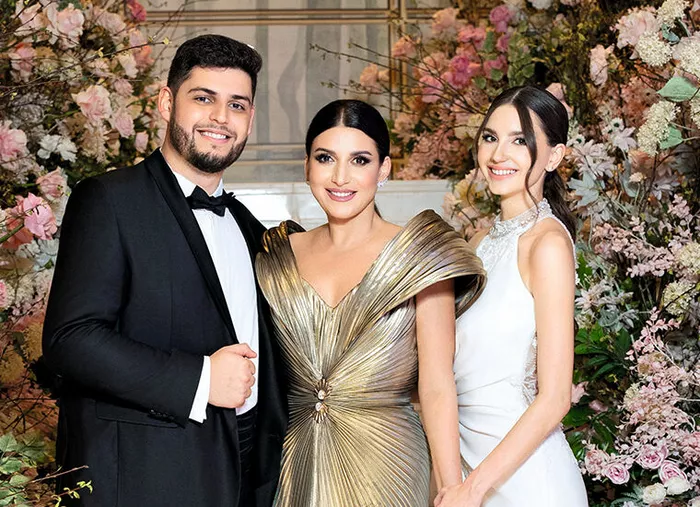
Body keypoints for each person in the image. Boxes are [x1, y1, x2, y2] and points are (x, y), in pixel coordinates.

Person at [42, 35, 287, 506]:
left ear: (250, 118)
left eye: (237, 105)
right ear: (166, 102)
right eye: (204, 98)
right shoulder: (108, 200)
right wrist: (200, 379)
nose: (221, 117)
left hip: (245, 469)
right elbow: (70, 339)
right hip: (147, 476)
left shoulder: (249, 226)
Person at [255, 99, 486, 506]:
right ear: (306, 166)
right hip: (294, 460)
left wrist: (452, 488)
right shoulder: (276, 256)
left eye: (359, 160)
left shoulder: (421, 254)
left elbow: (436, 386)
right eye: (325, 158)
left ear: (384, 169)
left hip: (388, 464)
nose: (340, 177)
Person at [436, 86, 588, 507]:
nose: (498, 154)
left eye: (520, 140)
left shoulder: (548, 244)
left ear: (554, 157)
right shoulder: (479, 241)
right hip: (466, 470)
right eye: (490, 137)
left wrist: (473, 490)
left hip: (527, 483)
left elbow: (555, 398)